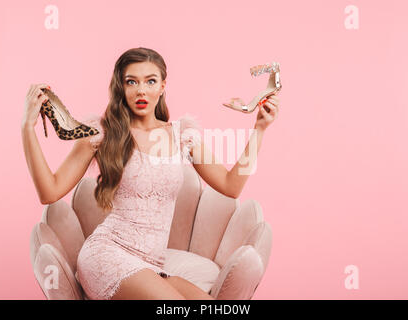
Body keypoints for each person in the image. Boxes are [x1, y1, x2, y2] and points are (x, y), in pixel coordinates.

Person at [21, 47, 279, 300]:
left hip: (150, 267)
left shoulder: (181, 135)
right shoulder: (103, 132)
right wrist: (27, 128)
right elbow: (50, 191)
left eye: (150, 81)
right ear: (121, 87)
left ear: (162, 86)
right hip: (106, 256)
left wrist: (259, 129)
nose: (141, 90)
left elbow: (230, 186)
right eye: (131, 82)